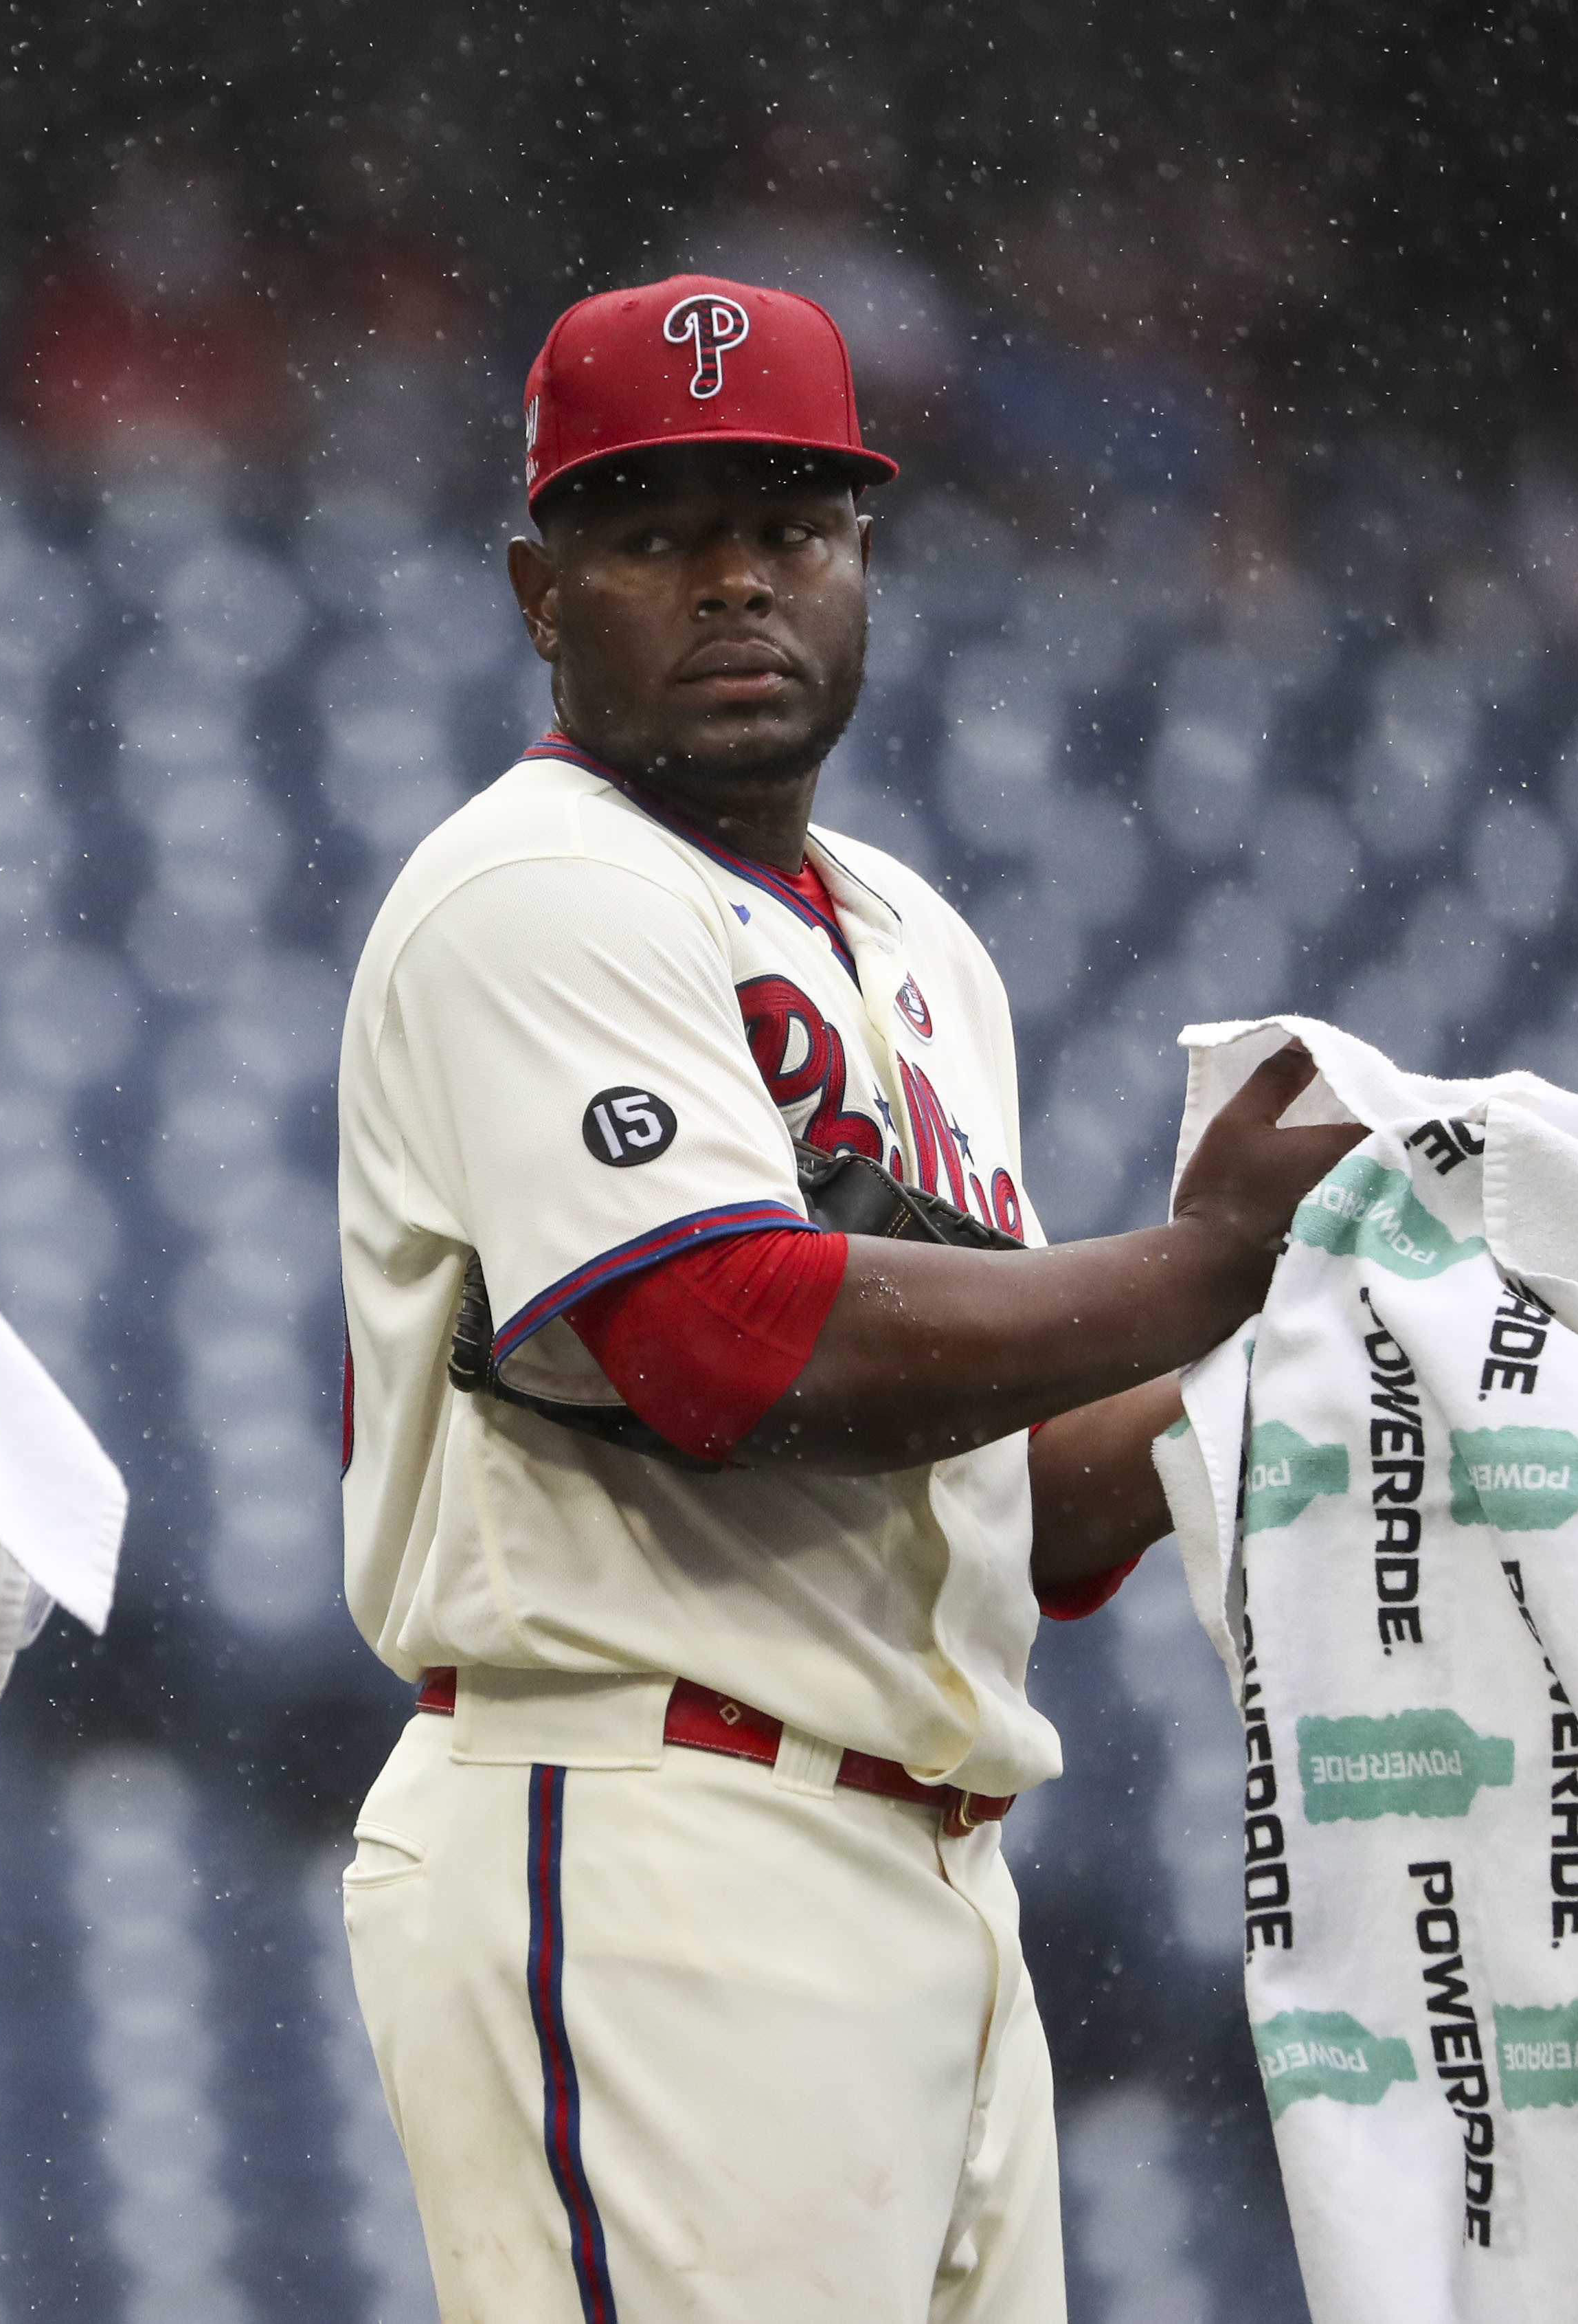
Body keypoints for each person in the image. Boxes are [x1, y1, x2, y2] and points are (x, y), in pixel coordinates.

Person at [332, 273, 1366, 2323]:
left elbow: (1025, 1502)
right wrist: (1196, 1267)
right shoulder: (535, 887)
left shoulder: (914, 942)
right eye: (655, 534)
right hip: (650, 1834)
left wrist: (1310, 1347)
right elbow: (721, 1342)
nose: (735, 583)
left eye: (789, 528)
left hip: (926, 1873)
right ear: (540, 595)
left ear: (863, 565)